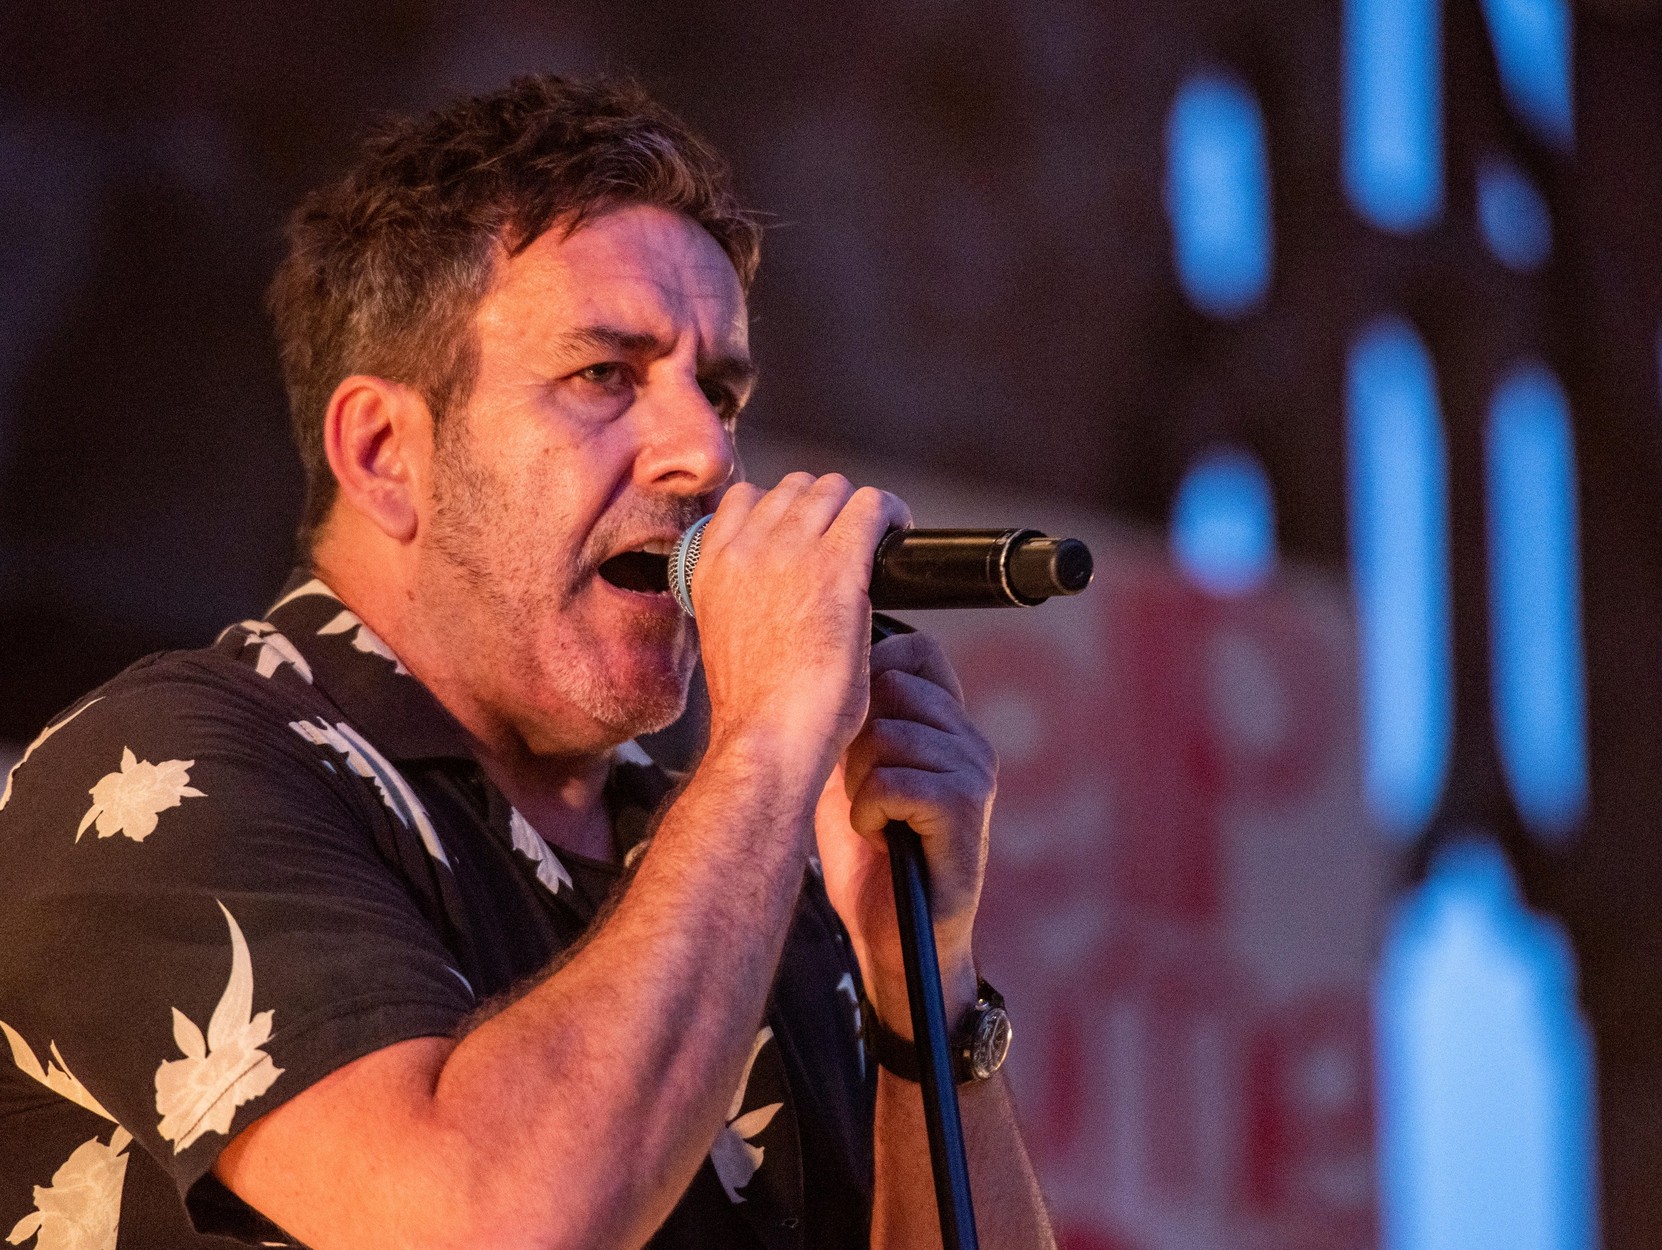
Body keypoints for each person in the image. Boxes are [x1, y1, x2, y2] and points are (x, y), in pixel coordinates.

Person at [0, 76, 1055, 1249]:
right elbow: (490, 1222)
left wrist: (926, 983)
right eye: (605, 374)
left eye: (718, 390)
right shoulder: (169, 767)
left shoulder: (740, 869)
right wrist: (766, 741)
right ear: (384, 451)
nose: (706, 453)